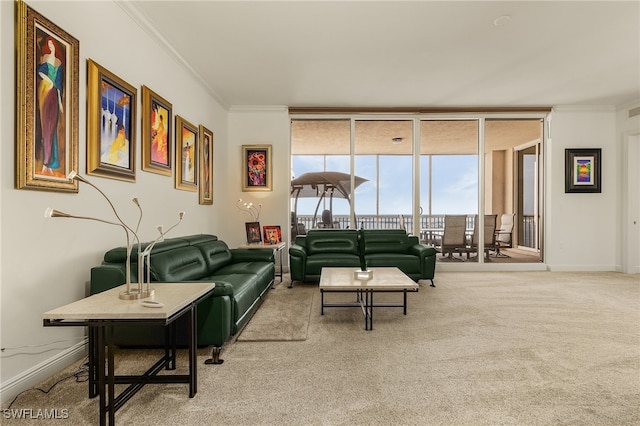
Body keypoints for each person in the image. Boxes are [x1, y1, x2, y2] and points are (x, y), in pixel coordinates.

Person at [37, 36, 64, 176]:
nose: (51, 46)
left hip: (53, 94)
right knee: (45, 127)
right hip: (45, 90)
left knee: (52, 128)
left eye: (52, 44)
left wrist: (60, 102)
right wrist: (50, 82)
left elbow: (59, 85)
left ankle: (50, 163)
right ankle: (44, 163)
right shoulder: (45, 58)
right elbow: (40, 72)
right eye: (49, 44)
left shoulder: (59, 63)